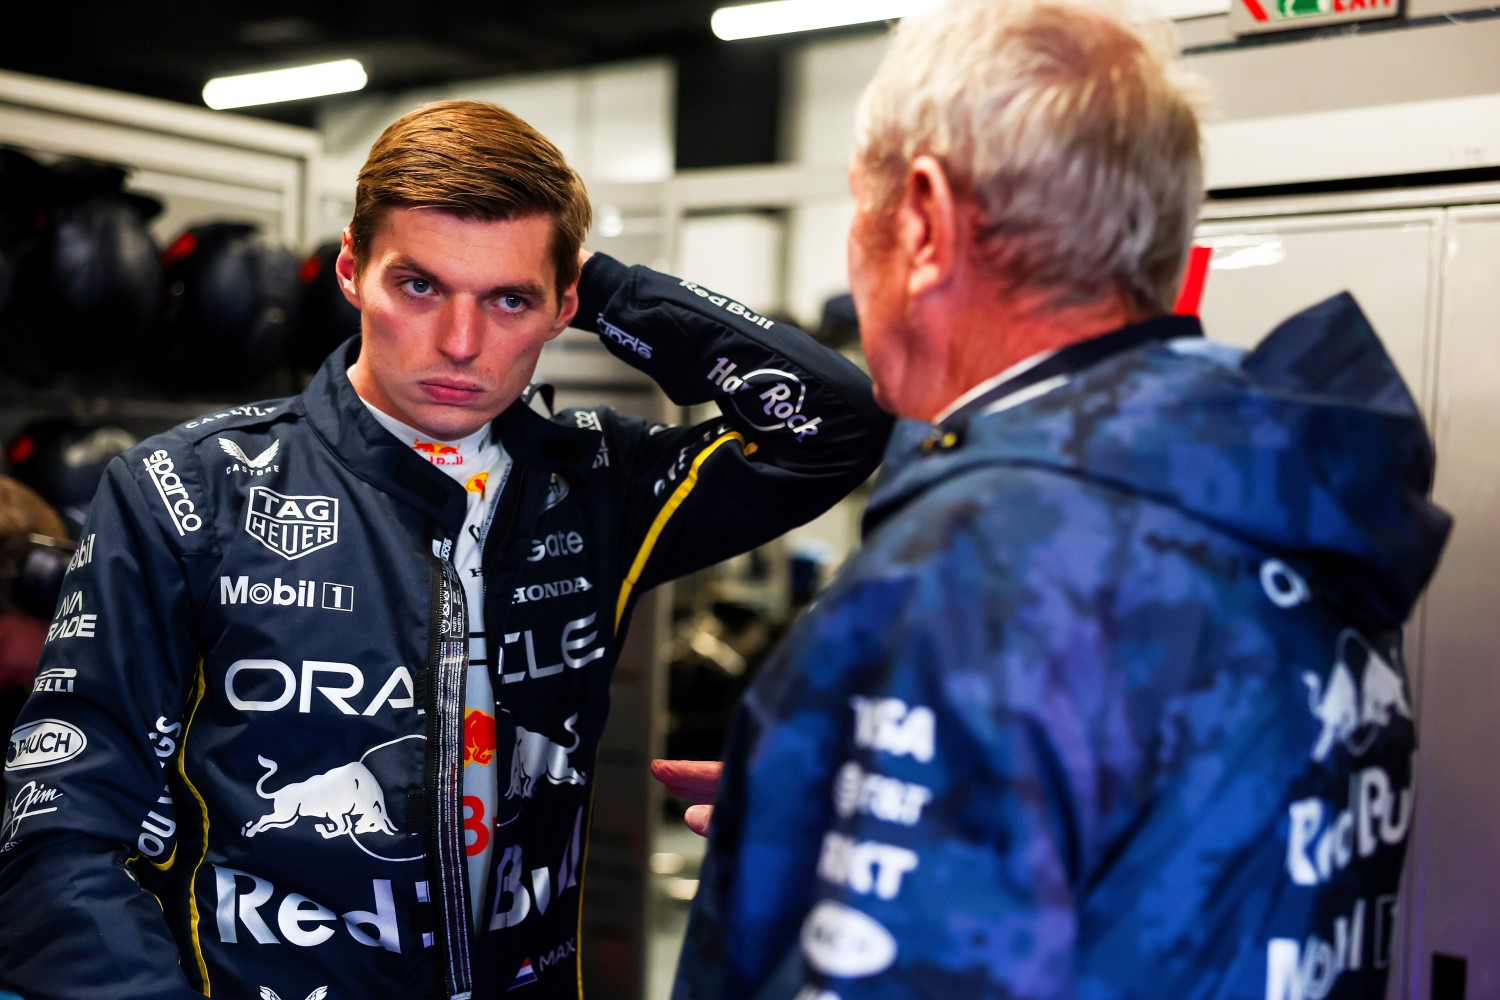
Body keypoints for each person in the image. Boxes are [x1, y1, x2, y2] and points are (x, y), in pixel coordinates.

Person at [0, 99, 890, 1000]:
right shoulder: (186, 488)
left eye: (510, 298)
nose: (461, 345)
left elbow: (834, 426)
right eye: (419, 285)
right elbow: (57, 828)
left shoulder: (594, 482)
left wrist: (611, 286)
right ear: (352, 270)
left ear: (563, 305)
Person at [668, 2, 1452, 998]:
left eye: (856, 211)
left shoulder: (978, 573)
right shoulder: (1280, 495)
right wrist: (856, 806)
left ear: (921, 222)